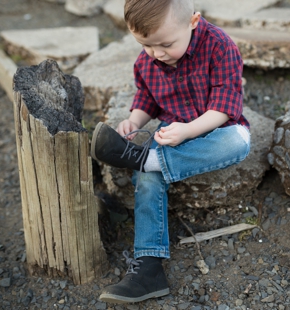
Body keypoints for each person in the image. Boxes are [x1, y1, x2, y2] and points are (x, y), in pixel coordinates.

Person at [90, 0, 250, 304]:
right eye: (146, 45)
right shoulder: (148, 57)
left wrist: (189, 131)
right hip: (169, 131)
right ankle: (148, 269)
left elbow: (225, 106)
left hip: (212, 128)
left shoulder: (219, 46)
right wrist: (134, 120)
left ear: (193, 21)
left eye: (165, 45)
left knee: (240, 140)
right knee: (148, 179)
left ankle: (146, 159)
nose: (157, 54)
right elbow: (147, 96)